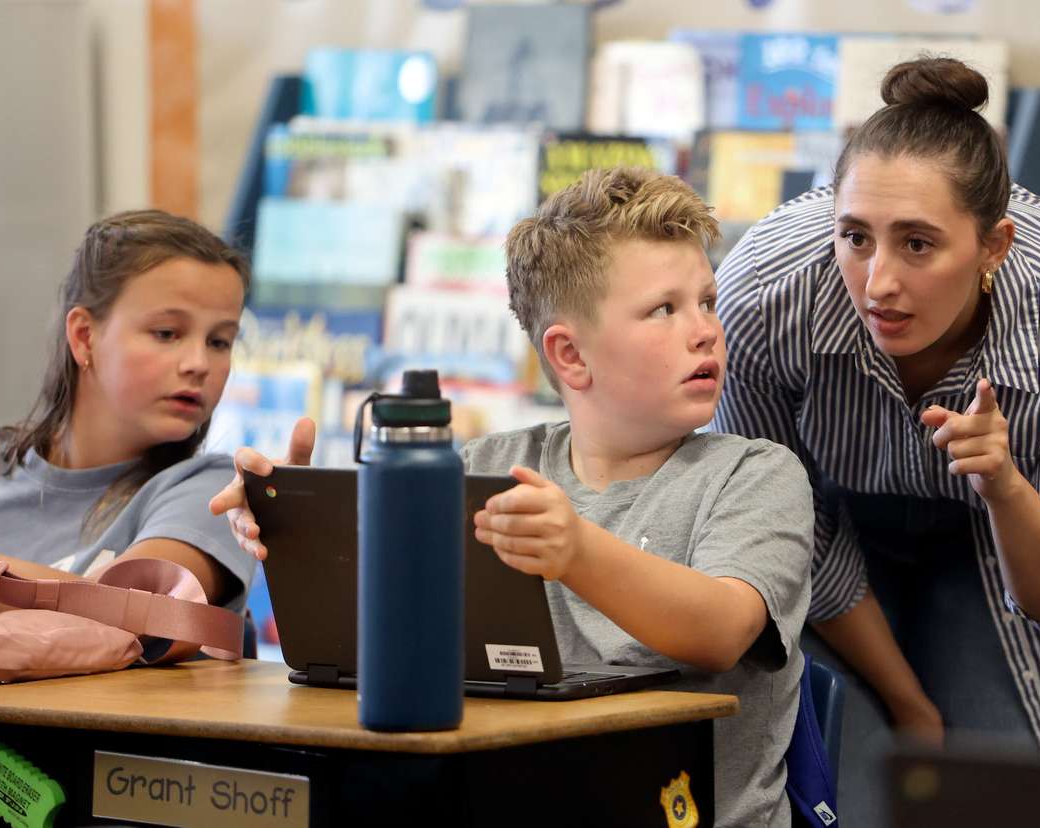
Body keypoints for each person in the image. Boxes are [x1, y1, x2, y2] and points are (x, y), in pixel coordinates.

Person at [213, 168, 815, 827]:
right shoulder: (484, 469)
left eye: (708, 301)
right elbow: (373, 644)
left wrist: (578, 550)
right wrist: (300, 533)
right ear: (570, 356)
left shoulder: (757, 475)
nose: (705, 331)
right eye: (665, 310)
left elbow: (721, 631)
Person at [711, 55, 1040, 820]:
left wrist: (1006, 486)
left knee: (993, 799)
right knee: (843, 797)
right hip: (827, 536)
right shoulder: (766, 290)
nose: (878, 281)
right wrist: (906, 698)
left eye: (917, 244)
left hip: (1006, 544)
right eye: (855, 237)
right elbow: (774, 530)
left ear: (994, 247)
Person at [0, 210, 261, 614]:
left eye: (219, 341)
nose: (199, 363)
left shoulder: (214, 493)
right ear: (84, 337)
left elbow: (142, 609)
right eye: (167, 333)